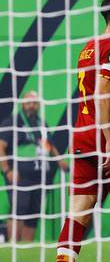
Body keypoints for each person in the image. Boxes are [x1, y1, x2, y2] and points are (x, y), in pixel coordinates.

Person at [45, 0, 110, 262]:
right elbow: (102, 94)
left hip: (82, 138)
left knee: (79, 211)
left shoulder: (90, 45)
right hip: (107, 142)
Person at [0, 91, 68, 243]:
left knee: (34, 212)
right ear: (23, 103)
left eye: (35, 102)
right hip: (20, 175)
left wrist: (59, 161)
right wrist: (7, 170)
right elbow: (1, 147)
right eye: (29, 102)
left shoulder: (41, 123)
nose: (32, 105)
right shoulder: (12, 121)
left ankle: (28, 248)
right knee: (19, 208)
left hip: (40, 176)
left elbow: (49, 145)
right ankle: (13, 244)